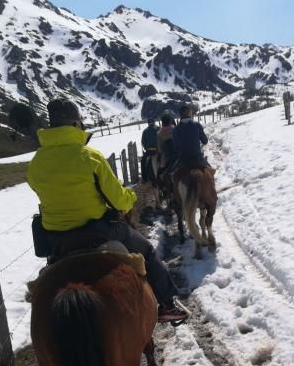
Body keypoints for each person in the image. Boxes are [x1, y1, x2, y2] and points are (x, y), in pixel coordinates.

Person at [27, 98, 189, 324]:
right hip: (100, 231)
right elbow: (120, 201)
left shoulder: (35, 164)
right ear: (75, 124)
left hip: (58, 239)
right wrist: (131, 196)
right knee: (148, 252)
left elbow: (39, 191)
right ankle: (167, 304)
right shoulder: (90, 157)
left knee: (49, 276)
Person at [172, 104, 210, 170]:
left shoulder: (175, 129)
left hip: (183, 159)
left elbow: (175, 147)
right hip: (197, 158)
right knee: (211, 171)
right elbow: (205, 141)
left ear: (180, 114)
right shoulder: (197, 125)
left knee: (172, 172)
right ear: (189, 113)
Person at [141, 117, 159, 182]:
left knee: (143, 162)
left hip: (149, 151)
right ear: (154, 122)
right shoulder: (158, 128)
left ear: (148, 123)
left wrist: (146, 148)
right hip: (158, 151)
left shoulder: (145, 131)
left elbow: (143, 142)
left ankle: (144, 178)